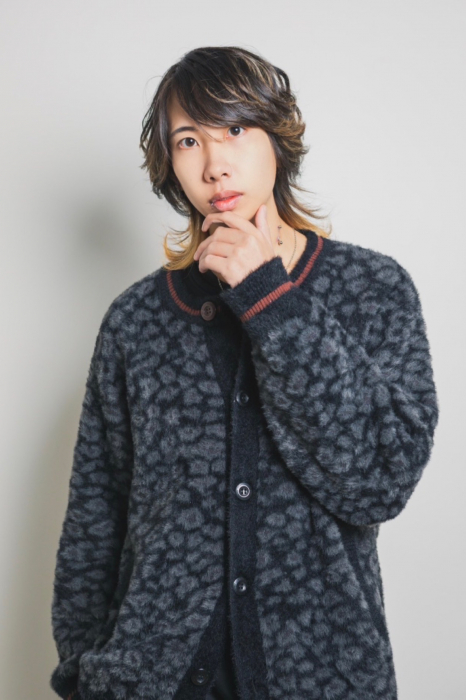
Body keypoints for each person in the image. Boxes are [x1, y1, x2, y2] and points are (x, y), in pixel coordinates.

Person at [49, 46, 439, 700]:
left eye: (234, 128)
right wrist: (83, 674)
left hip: (324, 678)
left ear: (276, 137)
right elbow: (95, 517)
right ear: (169, 164)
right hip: (153, 682)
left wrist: (269, 299)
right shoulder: (135, 321)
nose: (214, 163)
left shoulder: (372, 290)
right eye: (188, 140)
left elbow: (381, 480)